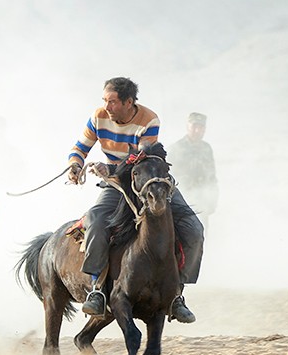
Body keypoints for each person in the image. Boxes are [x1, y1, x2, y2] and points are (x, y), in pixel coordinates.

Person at [67, 77, 203, 323]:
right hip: (117, 186)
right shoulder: (98, 117)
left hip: (149, 180)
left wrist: (110, 170)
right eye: (105, 100)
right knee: (96, 220)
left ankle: (177, 294)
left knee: (194, 229)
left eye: (113, 101)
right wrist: (75, 165)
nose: (107, 106)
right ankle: (97, 289)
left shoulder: (149, 120)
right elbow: (80, 147)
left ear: (129, 102)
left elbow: (140, 159)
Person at [169, 112, 219, 228]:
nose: (197, 130)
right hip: (183, 200)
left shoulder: (206, 148)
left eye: (201, 127)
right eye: (194, 126)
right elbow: (169, 175)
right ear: (188, 127)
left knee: (201, 236)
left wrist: (213, 198)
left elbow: (211, 175)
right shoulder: (176, 148)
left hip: (202, 201)